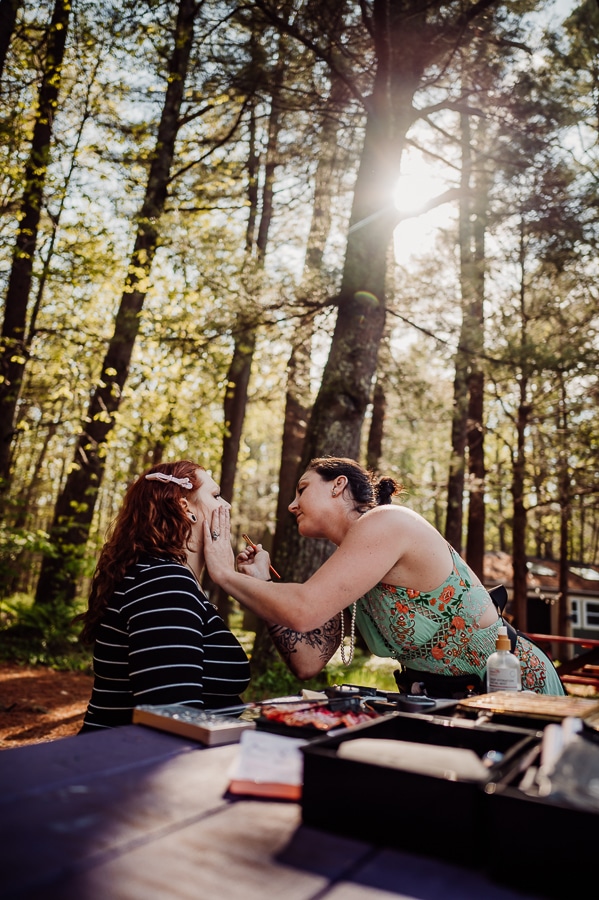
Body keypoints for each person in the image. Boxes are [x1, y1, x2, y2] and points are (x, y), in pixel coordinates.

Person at [203, 456, 565, 697]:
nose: (292, 505)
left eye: (302, 489)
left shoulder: (385, 521)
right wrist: (263, 584)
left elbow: (303, 610)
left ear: (337, 485)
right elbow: (307, 661)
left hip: (515, 688)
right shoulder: (352, 562)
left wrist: (222, 573)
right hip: (449, 701)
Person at [77, 460, 251, 732]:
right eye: (216, 496)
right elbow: (175, 719)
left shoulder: (165, 578)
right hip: (128, 765)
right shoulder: (165, 583)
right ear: (185, 508)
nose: (226, 506)